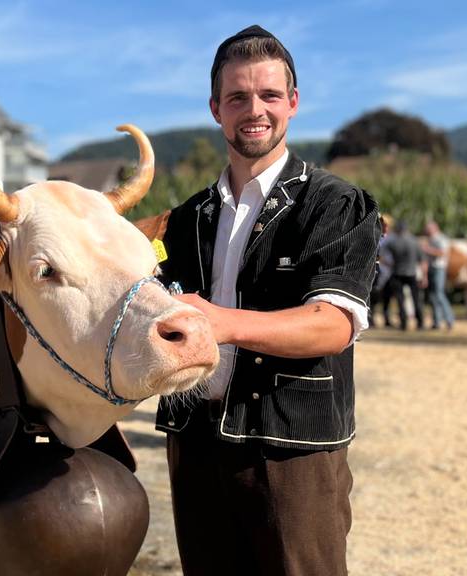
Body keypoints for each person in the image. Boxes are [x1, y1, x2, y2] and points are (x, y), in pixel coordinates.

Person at [153, 25, 380, 575]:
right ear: (215, 109)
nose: (253, 109)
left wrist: (220, 323)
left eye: (269, 95)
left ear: (293, 104)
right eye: (237, 97)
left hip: (292, 450)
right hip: (197, 441)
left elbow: (332, 326)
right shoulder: (187, 218)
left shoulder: (335, 203)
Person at [382, 220, 426, 330]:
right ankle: (420, 323)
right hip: (412, 273)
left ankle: (404, 323)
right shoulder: (415, 241)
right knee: (416, 299)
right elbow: (423, 261)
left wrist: (390, 264)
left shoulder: (393, 242)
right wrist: (425, 276)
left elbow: (381, 255)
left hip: (397, 273)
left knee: (400, 300)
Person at [421, 220, 455, 330]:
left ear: (434, 228)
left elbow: (442, 253)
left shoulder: (441, 239)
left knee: (439, 294)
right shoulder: (430, 240)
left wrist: (427, 249)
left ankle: (449, 319)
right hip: (432, 269)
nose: (426, 231)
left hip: (439, 269)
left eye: (428, 229)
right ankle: (437, 322)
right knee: (433, 296)